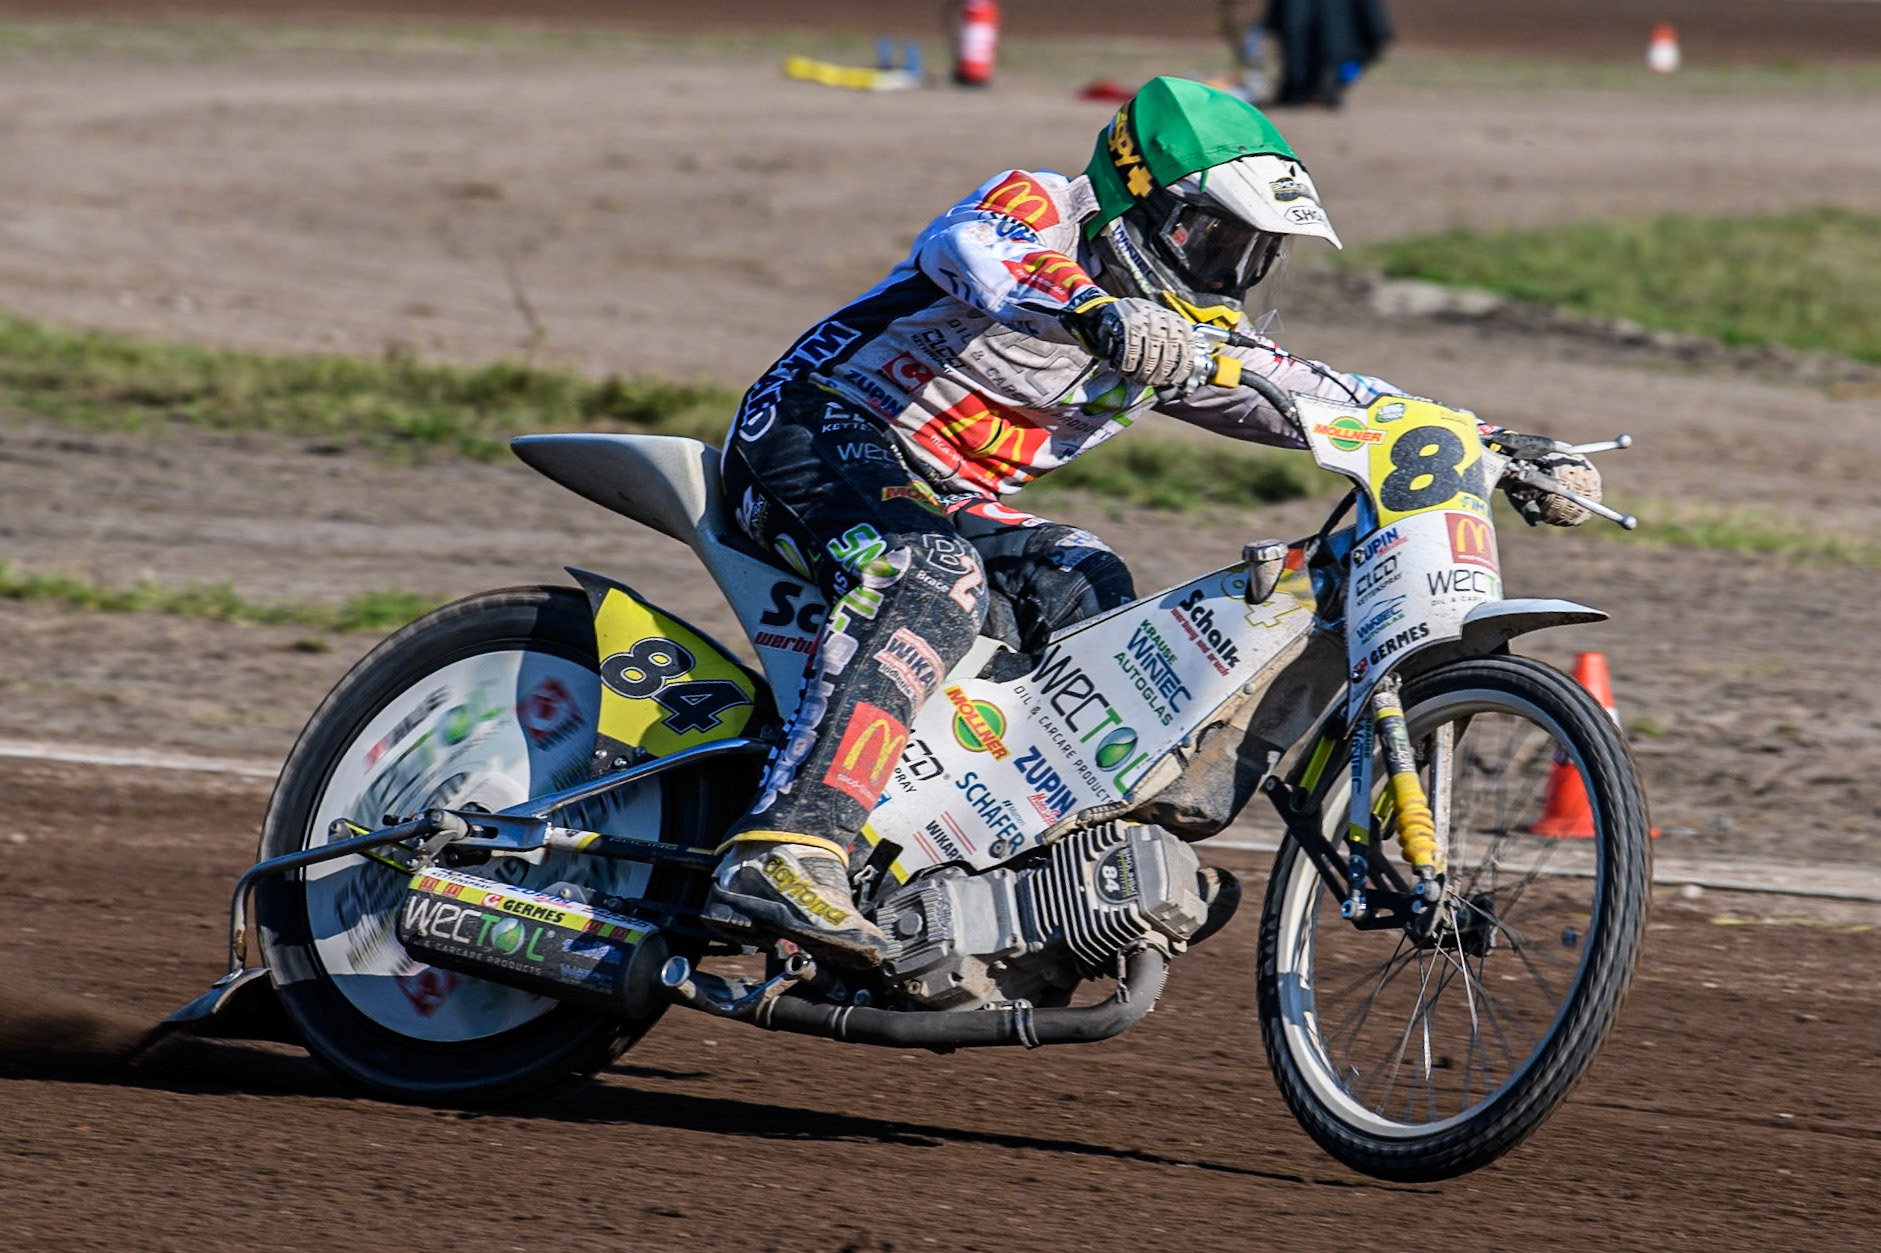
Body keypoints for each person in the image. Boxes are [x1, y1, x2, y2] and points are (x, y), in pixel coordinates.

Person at [704, 77, 1596, 967]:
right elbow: (972, 248)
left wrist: (1496, 443)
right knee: (933, 574)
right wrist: (1096, 312)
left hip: (947, 497)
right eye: (1214, 243)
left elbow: (1320, 395)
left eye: (1252, 257)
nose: (1226, 276)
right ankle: (789, 843)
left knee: (1089, 582)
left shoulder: (1184, 332)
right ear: (1144, 201)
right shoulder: (1042, 207)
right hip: (818, 428)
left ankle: (1019, 864)